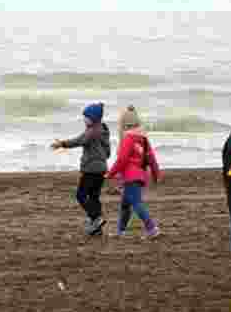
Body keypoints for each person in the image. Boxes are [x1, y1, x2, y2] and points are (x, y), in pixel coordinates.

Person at [51, 102, 111, 236]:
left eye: (86, 117)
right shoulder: (103, 130)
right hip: (101, 170)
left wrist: (62, 144)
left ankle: (96, 218)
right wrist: (101, 159)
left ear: (94, 118)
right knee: (94, 197)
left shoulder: (92, 132)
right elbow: (108, 152)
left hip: (91, 170)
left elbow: (79, 141)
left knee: (81, 195)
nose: (84, 119)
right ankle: (97, 229)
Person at [105, 107, 162, 238]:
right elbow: (151, 158)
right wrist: (156, 174)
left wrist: (111, 173)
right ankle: (120, 231)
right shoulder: (143, 139)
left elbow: (122, 159)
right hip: (140, 175)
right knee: (125, 205)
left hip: (130, 177)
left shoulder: (128, 138)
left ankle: (152, 228)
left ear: (124, 124)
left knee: (136, 203)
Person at [111, 105, 140, 194]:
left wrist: (119, 148)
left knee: (123, 168)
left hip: (125, 145)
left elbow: (120, 131)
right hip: (134, 148)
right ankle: (127, 186)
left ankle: (121, 187)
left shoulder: (123, 116)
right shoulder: (136, 117)